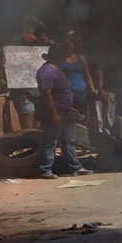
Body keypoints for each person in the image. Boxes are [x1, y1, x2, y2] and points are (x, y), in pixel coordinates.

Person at [35, 43, 94, 179]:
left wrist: (69, 106)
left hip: (66, 111)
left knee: (69, 141)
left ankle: (76, 168)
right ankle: (45, 170)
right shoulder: (47, 72)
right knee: (51, 141)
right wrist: (54, 114)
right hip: (56, 112)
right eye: (64, 55)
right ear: (59, 55)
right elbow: (46, 94)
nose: (65, 58)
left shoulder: (58, 69)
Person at [61, 34, 96, 118]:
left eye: (69, 45)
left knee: (81, 116)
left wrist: (93, 91)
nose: (67, 47)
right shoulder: (62, 59)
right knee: (69, 116)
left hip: (81, 93)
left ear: (73, 45)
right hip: (67, 93)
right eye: (65, 45)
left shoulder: (82, 59)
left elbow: (88, 76)